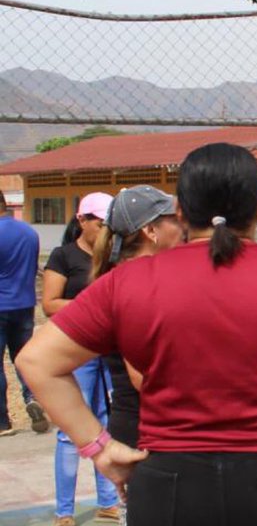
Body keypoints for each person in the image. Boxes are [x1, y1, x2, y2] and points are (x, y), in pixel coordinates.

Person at [17, 143, 257, 526]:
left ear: (180, 210)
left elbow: (36, 361)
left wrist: (98, 446)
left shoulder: (128, 282)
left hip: (169, 482)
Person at [43, 192, 120, 526]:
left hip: (108, 351)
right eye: (100, 223)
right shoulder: (63, 256)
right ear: (82, 220)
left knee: (103, 425)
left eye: (109, 225)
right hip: (77, 353)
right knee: (70, 430)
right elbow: (50, 303)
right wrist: (92, 309)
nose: (105, 231)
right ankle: (65, 509)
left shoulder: (113, 258)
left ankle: (107, 499)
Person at [89, 186, 185, 450]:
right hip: (150, 431)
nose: (182, 227)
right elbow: (142, 377)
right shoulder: (133, 284)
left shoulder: (135, 278)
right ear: (150, 231)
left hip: (152, 426)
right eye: (174, 220)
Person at [0, 188, 49, 437]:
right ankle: (32, 397)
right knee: (24, 357)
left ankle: (2, 422)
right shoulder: (29, 233)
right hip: (25, 304)